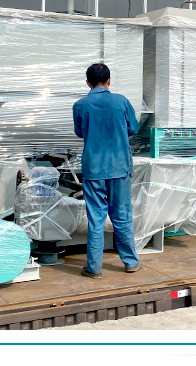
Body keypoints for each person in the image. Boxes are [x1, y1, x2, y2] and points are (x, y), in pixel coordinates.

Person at [72, 63, 141, 278]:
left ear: (88, 83)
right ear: (109, 80)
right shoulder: (121, 101)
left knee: (96, 218)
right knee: (122, 216)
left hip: (93, 168)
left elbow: (79, 132)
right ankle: (130, 262)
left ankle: (94, 268)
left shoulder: (80, 105)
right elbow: (133, 128)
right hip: (119, 166)